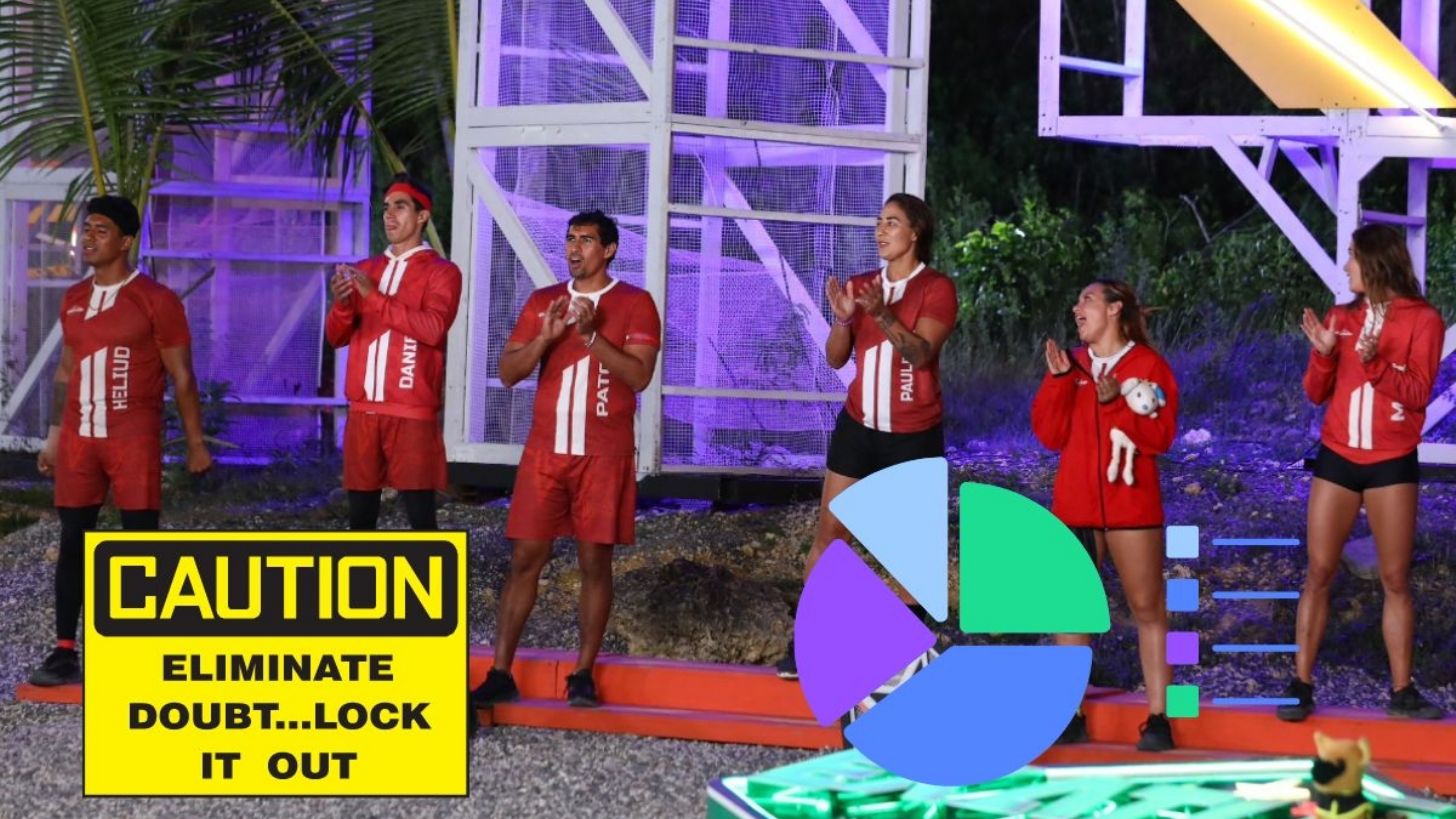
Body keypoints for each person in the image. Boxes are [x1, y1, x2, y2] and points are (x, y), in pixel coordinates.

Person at [471, 210, 661, 708]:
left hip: (603, 454)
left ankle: (582, 673)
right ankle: (500, 672)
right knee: (524, 559)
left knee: (595, 561)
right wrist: (545, 337)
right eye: (571, 238)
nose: (575, 248)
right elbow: (508, 372)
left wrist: (592, 336)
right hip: (546, 452)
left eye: (587, 240)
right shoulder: (544, 301)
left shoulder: (636, 303)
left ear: (610, 249)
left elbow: (639, 377)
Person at [29, 195, 213, 686]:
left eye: (102, 230)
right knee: (74, 540)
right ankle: (64, 652)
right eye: (87, 229)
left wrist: (196, 443)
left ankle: (140, 651)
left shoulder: (155, 299)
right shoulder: (74, 298)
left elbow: (183, 377)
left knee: (138, 543)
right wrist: (54, 438)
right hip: (80, 438)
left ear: (126, 241)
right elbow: (66, 370)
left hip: (132, 436)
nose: (89, 238)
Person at [776, 193, 957, 681]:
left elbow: (920, 354)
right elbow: (836, 358)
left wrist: (881, 314)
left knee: (909, 552)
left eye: (892, 222)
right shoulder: (860, 285)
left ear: (915, 232)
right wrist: (842, 319)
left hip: (912, 433)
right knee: (831, 533)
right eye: (878, 221)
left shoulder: (937, 288)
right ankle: (809, 642)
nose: (880, 230)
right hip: (859, 426)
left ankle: (907, 653)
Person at [1280, 224, 1445, 722]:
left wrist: (1374, 363)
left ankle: (1402, 691)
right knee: (1319, 572)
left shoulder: (1424, 320)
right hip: (1337, 458)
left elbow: (1417, 394)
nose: (1346, 265)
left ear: (1376, 262)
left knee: (1394, 578)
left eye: (1352, 256)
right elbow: (1315, 392)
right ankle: (1301, 684)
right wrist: (1324, 353)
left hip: (1391, 461)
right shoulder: (1341, 316)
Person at [1031, 279, 1179, 752]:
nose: (1077, 307)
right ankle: (1070, 715)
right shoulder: (1071, 365)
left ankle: (1160, 717)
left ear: (1114, 309)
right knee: (1070, 609)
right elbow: (1049, 435)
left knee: (1148, 608)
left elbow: (1159, 438)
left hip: (1131, 507)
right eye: (1077, 300)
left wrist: (1115, 404)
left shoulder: (1148, 366)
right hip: (1075, 506)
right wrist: (1058, 382)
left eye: (1088, 299)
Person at [325, 172, 462, 530]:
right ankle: (362, 571)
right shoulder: (366, 269)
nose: (389, 215)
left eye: (400, 207)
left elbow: (432, 329)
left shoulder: (442, 272)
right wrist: (342, 305)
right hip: (363, 411)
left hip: (411, 412)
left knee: (421, 519)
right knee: (360, 520)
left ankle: (429, 570)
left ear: (422, 216)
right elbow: (336, 338)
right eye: (386, 207)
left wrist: (373, 297)